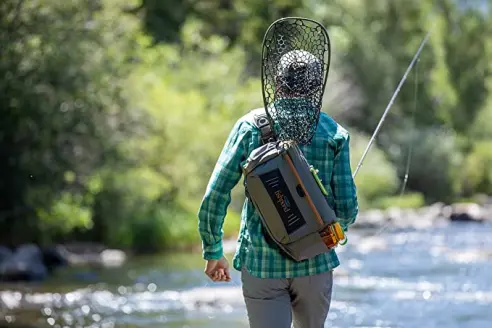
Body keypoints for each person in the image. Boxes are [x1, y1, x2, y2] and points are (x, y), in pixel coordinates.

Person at [197, 19, 358, 328]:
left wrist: (213, 250)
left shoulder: (249, 126)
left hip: (260, 264)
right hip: (316, 263)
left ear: (278, 81)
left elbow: (216, 194)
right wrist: (334, 225)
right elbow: (347, 210)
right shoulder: (334, 133)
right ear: (316, 85)